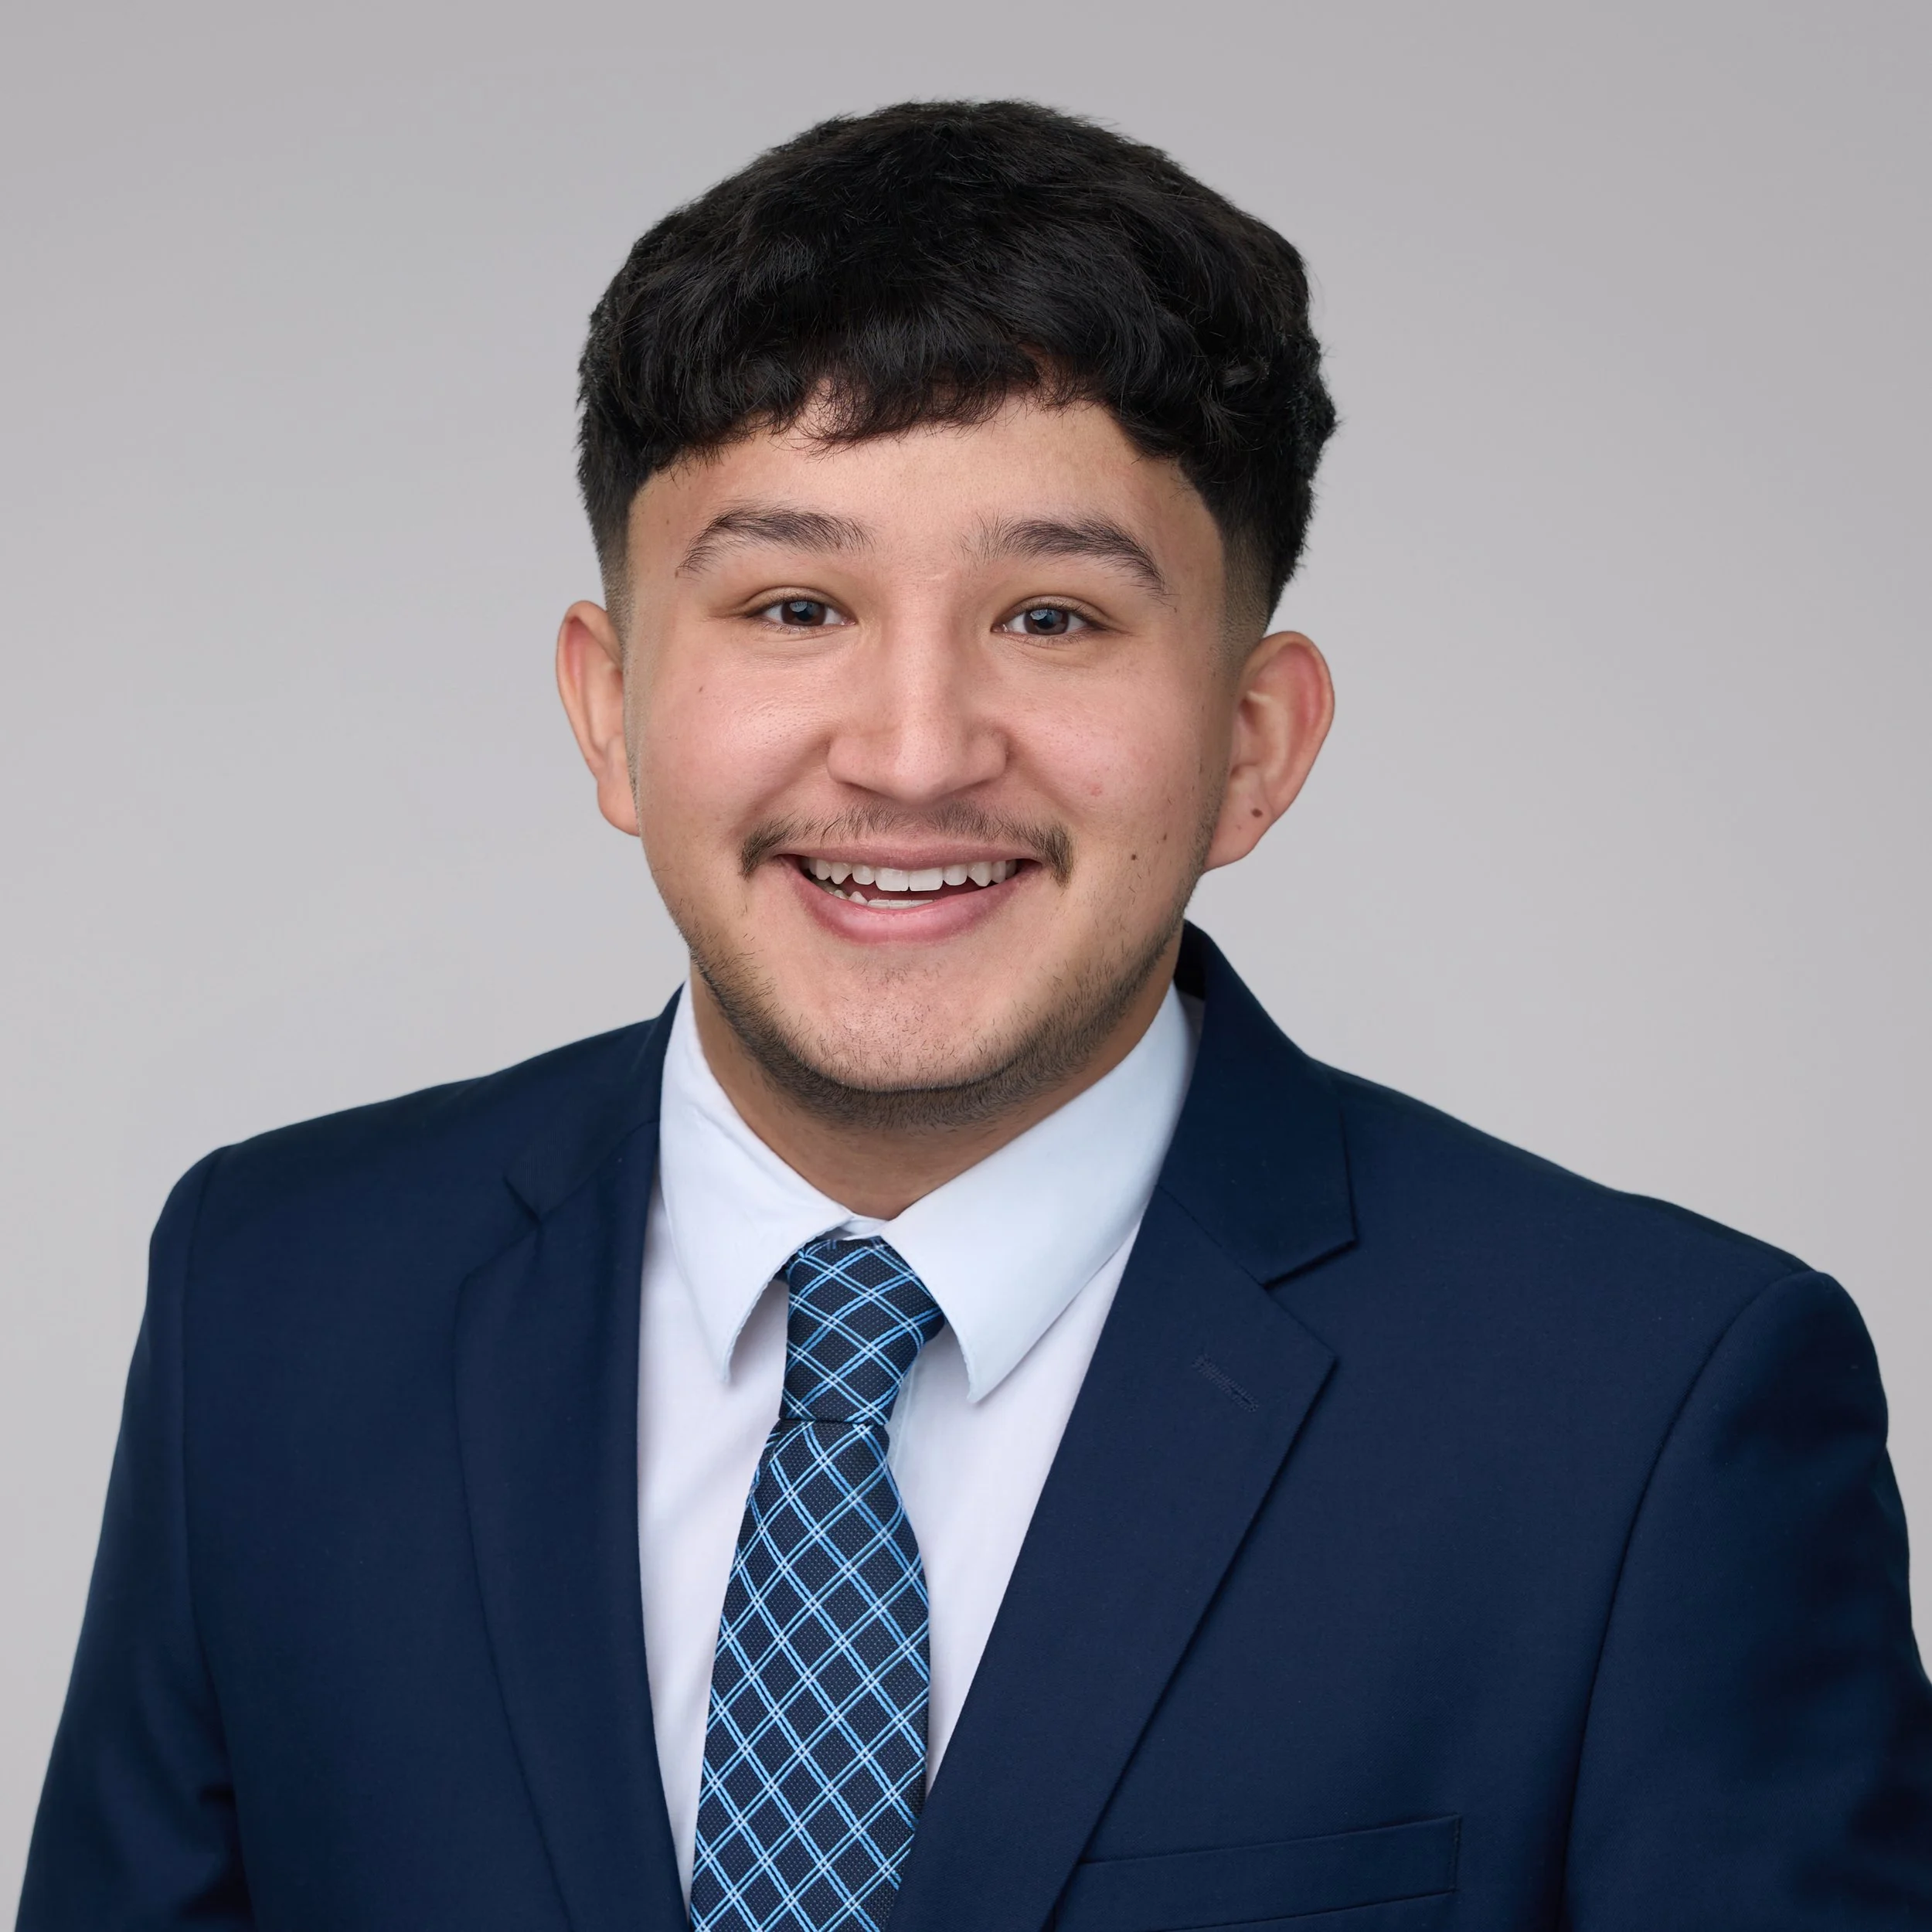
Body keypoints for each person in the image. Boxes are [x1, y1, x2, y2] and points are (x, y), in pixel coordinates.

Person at [18, 97, 1932, 1932]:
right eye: (788, 607)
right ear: (608, 710)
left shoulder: (1646, 1409)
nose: (914, 752)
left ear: (1251, 746)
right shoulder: (273, 1299)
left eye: (1052, 618)